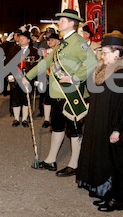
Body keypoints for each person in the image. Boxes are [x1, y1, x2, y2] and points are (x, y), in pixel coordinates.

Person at [25, 9, 98, 177]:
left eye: (62, 20)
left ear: (72, 23)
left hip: (71, 93)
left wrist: (75, 77)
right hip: (58, 93)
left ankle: (75, 164)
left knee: (74, 129)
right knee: (57, 127)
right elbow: (47, 62)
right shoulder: (63, 43)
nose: (59, 23)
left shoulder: (78, 42)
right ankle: (51, 160)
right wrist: (27, 77)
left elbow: (92, 61)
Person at [77, 31, 123, 212]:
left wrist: (117, 129)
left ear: (117, 53)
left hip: (116, 126)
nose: (102, 55)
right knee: (104, 157)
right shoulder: (104, 70)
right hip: (101, 122)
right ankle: (107, 193)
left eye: (105, 52)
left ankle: (117, 199)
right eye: (102, 52)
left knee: (116, 161)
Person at [5, 26, 39, 127]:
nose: (20, 40)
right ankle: (16, 119)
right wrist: (9, 75)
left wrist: (37, 79)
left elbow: (37, 66)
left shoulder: (34, 52)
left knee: (26, 99)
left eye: (23, 38)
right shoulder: (14, 49)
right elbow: (8, 63)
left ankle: (24, 119)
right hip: (16, 77)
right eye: (20, 38)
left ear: (28, 40)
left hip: (28, 79)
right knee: (15, 98)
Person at [38, 32, 61, 128]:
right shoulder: (45, 52)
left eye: (52, 40)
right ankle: (46, 119)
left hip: (59, 78)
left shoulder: (60, 51)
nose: (50, 42)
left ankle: (57, 118)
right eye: (49, 40)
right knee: (47, 99)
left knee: (57, 100)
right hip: (48, 77)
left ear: (58, 41)